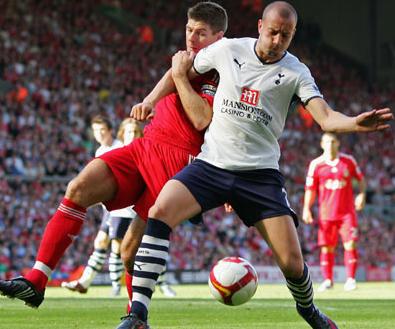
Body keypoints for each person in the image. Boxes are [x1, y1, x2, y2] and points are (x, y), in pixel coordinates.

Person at [121, 1, 393, 329]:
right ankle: (138, 314)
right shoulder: (227, 49)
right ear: (261, 25)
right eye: (274, 32)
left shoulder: (297, 72)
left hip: (260, 176)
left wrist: (354, 123)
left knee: (292, 263)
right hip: (212, 165)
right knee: (160, 211)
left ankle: (309, 311)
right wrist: (150, 100)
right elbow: (182, 70)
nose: (278, 40)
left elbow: (326, 118)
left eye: (286, 35)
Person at [0, 1, 226, 312]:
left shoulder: (224, 70)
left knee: (130, 252)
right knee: (78, 188)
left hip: (177, 163)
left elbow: (202, 118)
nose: (191, 38)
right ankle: (36, 280)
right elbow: (171, 77)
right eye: (189, 30)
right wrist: (148, 100)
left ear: (220, 36)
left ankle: (137, 314)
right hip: (146, 146)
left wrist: (180, 76)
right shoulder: (187, 61)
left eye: (201, 33)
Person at [61, 117, 143, 296]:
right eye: (96, 130)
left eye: (102, 130)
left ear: (111, 130)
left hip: (122, 208)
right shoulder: (100, 150)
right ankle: (86, 282)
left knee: (115, 246)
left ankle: (115, 288)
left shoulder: (119, 147)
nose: (99, 134)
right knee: (100, 242)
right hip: (109, 209)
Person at [302, 132, 366, 292]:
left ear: (338, 143)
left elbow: (361, 179)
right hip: (326, 213)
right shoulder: (316, 164)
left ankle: (350, 279)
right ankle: (328, 280)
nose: (330, 145)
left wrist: (362, 195)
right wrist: (306, 208)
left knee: (350, 243)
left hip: (347, 213)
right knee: (327, 247)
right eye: (327, 142)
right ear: (321, 144)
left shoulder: (348, 161)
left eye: (333, 141)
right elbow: (310, 189)